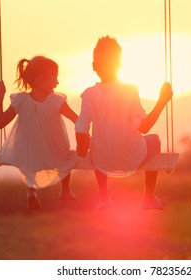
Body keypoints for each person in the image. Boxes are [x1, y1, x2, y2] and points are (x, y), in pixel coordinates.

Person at [75, 36, 173, 210]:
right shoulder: (130, 91)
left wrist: (82, 147)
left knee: (96, 145)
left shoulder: (88, 95)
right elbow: (144, 127)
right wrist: (161, 101)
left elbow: (82, 126)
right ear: (120, 64)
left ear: (94, 66)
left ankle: (104, 198)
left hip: (101, 161)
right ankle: (149, 197)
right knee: (154, 139)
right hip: (132, 156)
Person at [0, 56, 78, 210]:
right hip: (55, 155)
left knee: (29, 160)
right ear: (41, 79)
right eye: (55, 77)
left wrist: (0, 98)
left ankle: (30, 192)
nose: (57, 82)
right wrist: (85, 136)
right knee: (69, 157)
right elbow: (77, 120)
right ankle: (65, 190)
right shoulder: (56, 101)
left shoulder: (20, 101)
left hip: (28, 155)